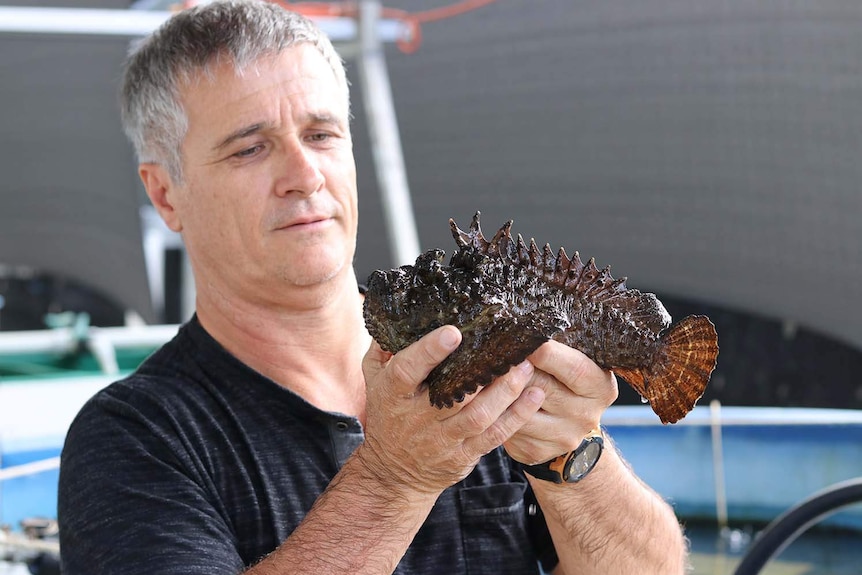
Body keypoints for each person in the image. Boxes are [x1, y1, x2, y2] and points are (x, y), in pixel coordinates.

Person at [58, 1, 688, 573]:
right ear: (166, 193)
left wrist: (571, 457)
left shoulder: (492, 350)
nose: (304, 175)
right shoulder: (133, 438)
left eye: (322, 134)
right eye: (250, 149)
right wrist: (396, 475)